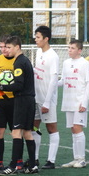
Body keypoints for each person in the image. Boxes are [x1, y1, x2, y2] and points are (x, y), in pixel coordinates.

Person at [0, 36, 38, 175]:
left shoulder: (19, 62)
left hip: (22, 100)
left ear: (17, 47)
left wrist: (0, 86)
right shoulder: (25, 60)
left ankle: (12, 166)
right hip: (29, 100)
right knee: (27, 133)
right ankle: (32, 165)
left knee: (16, 132)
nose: (7, 50)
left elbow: (18, 85)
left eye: (9, 47)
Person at [0, 35, 23, 171]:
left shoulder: (18, 61)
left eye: (6, 47)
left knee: (16, 131)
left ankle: (18, 161)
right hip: (0, 102)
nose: (3, 50)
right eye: (1, 47)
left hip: (15, 101)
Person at [58, 40, 89, 168]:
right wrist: (51, 83)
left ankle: (82, 159)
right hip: (68, 101)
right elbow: (63, 80)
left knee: (78, 128)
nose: (69, 50)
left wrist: (85, 102)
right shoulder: (66, 63)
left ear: (79, 50)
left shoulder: (84, 63)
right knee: (73, 129)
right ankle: (76, 158)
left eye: (72, 48)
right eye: (68, 47)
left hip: (79, 102)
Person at [33, 25, 60, 169]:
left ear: (46, 39)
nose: (35, 40)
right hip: (36, 98)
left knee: (51, 128)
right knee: (34, 127)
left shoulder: (53, 56)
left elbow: (53, 80)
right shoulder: (38, 52)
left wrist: (47, 102)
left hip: (46, 100)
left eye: (38, 37)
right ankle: (35, 158)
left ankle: (51, 160)